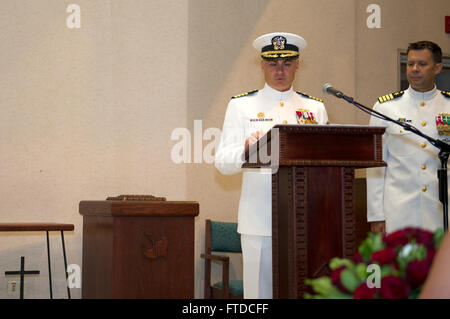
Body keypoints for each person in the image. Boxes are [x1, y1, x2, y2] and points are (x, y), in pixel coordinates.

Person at [214, 32, 328, 299]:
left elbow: (325, 164)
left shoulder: (315, 108)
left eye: (287, 63)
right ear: (262, 65)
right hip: (259, 221)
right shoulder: (241, 105)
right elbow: (222, 162)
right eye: (273, 63)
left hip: (305, 221)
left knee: (302, 292)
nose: (280, 70)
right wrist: (245, 153)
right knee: (259, 296)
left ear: (298, 65)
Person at [367, 41, 450, 235]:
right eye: (410, 64)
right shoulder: (386, 107)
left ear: (437, 68)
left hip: (441, 211)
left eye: (422, 64)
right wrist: (376, 215)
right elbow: (376, 164)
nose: (414, 69)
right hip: (398, 212)